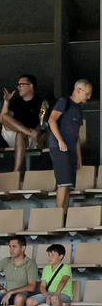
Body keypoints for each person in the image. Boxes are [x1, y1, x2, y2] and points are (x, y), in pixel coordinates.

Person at [50, 78, 95, 211]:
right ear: (78, 90)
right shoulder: (64, 102)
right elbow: (52, 120)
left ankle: (65, 214)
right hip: (59, 147)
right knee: (63, 183)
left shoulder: (78, 109)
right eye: (87, 93)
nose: (89, 97)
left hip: (71, 148)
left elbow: (77, 136)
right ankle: (59, 214)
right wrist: (60, 140)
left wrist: (78, 155)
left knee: (69, 185)